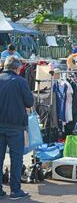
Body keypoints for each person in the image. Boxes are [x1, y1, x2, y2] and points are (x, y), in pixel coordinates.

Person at [0, 56, 34, 200]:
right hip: (15, 125)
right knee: (16, 158)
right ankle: (15, 190)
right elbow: (29, 102)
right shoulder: (21, 81)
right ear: (16, 68)